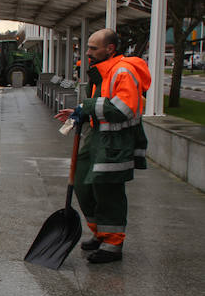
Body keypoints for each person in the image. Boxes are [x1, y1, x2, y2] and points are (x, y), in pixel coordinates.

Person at [56, 29, 151, 264]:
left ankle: (113, 243)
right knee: (83, 182)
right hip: (98, 138)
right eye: (87, 48)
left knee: (109, 190)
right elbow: (101, 103)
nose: (87, 53)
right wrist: (79, 112)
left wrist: (86, 106)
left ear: (110, 49)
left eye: (93, 48)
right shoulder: (103, 72)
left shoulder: (123, 71)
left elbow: (122, 109)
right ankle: (100, 232)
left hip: (115, 143)